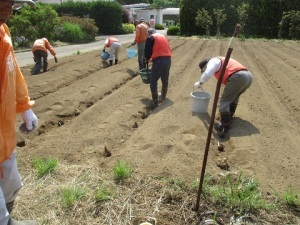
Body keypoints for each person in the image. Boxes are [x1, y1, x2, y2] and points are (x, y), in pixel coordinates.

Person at [0, 0, 39, 224]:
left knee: (11, 186)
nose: (9, 9)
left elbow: (13, 71)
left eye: (12, 3)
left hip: (5, 134)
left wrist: (24, 108)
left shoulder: (3, 31)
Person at [194, 57, 253, 138]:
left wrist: (200, 83)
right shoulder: (220, 60)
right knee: (234, 98)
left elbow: (208, 73)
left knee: (224, 101)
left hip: (238, 76)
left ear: (206, 65)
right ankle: (229, 118)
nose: (204, 71)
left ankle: (225, 127)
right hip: (248, 77)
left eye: (204, 69)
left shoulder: (213, 61)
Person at [145, 28, 172, 109]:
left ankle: (155, 103)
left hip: (159, 61)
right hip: (168, 60)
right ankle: (163, 97)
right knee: (164, 79)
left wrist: (147, 58)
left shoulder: (150, 37)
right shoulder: (163, 36)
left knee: (153, 82)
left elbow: (147, 51)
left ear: (149, 33)